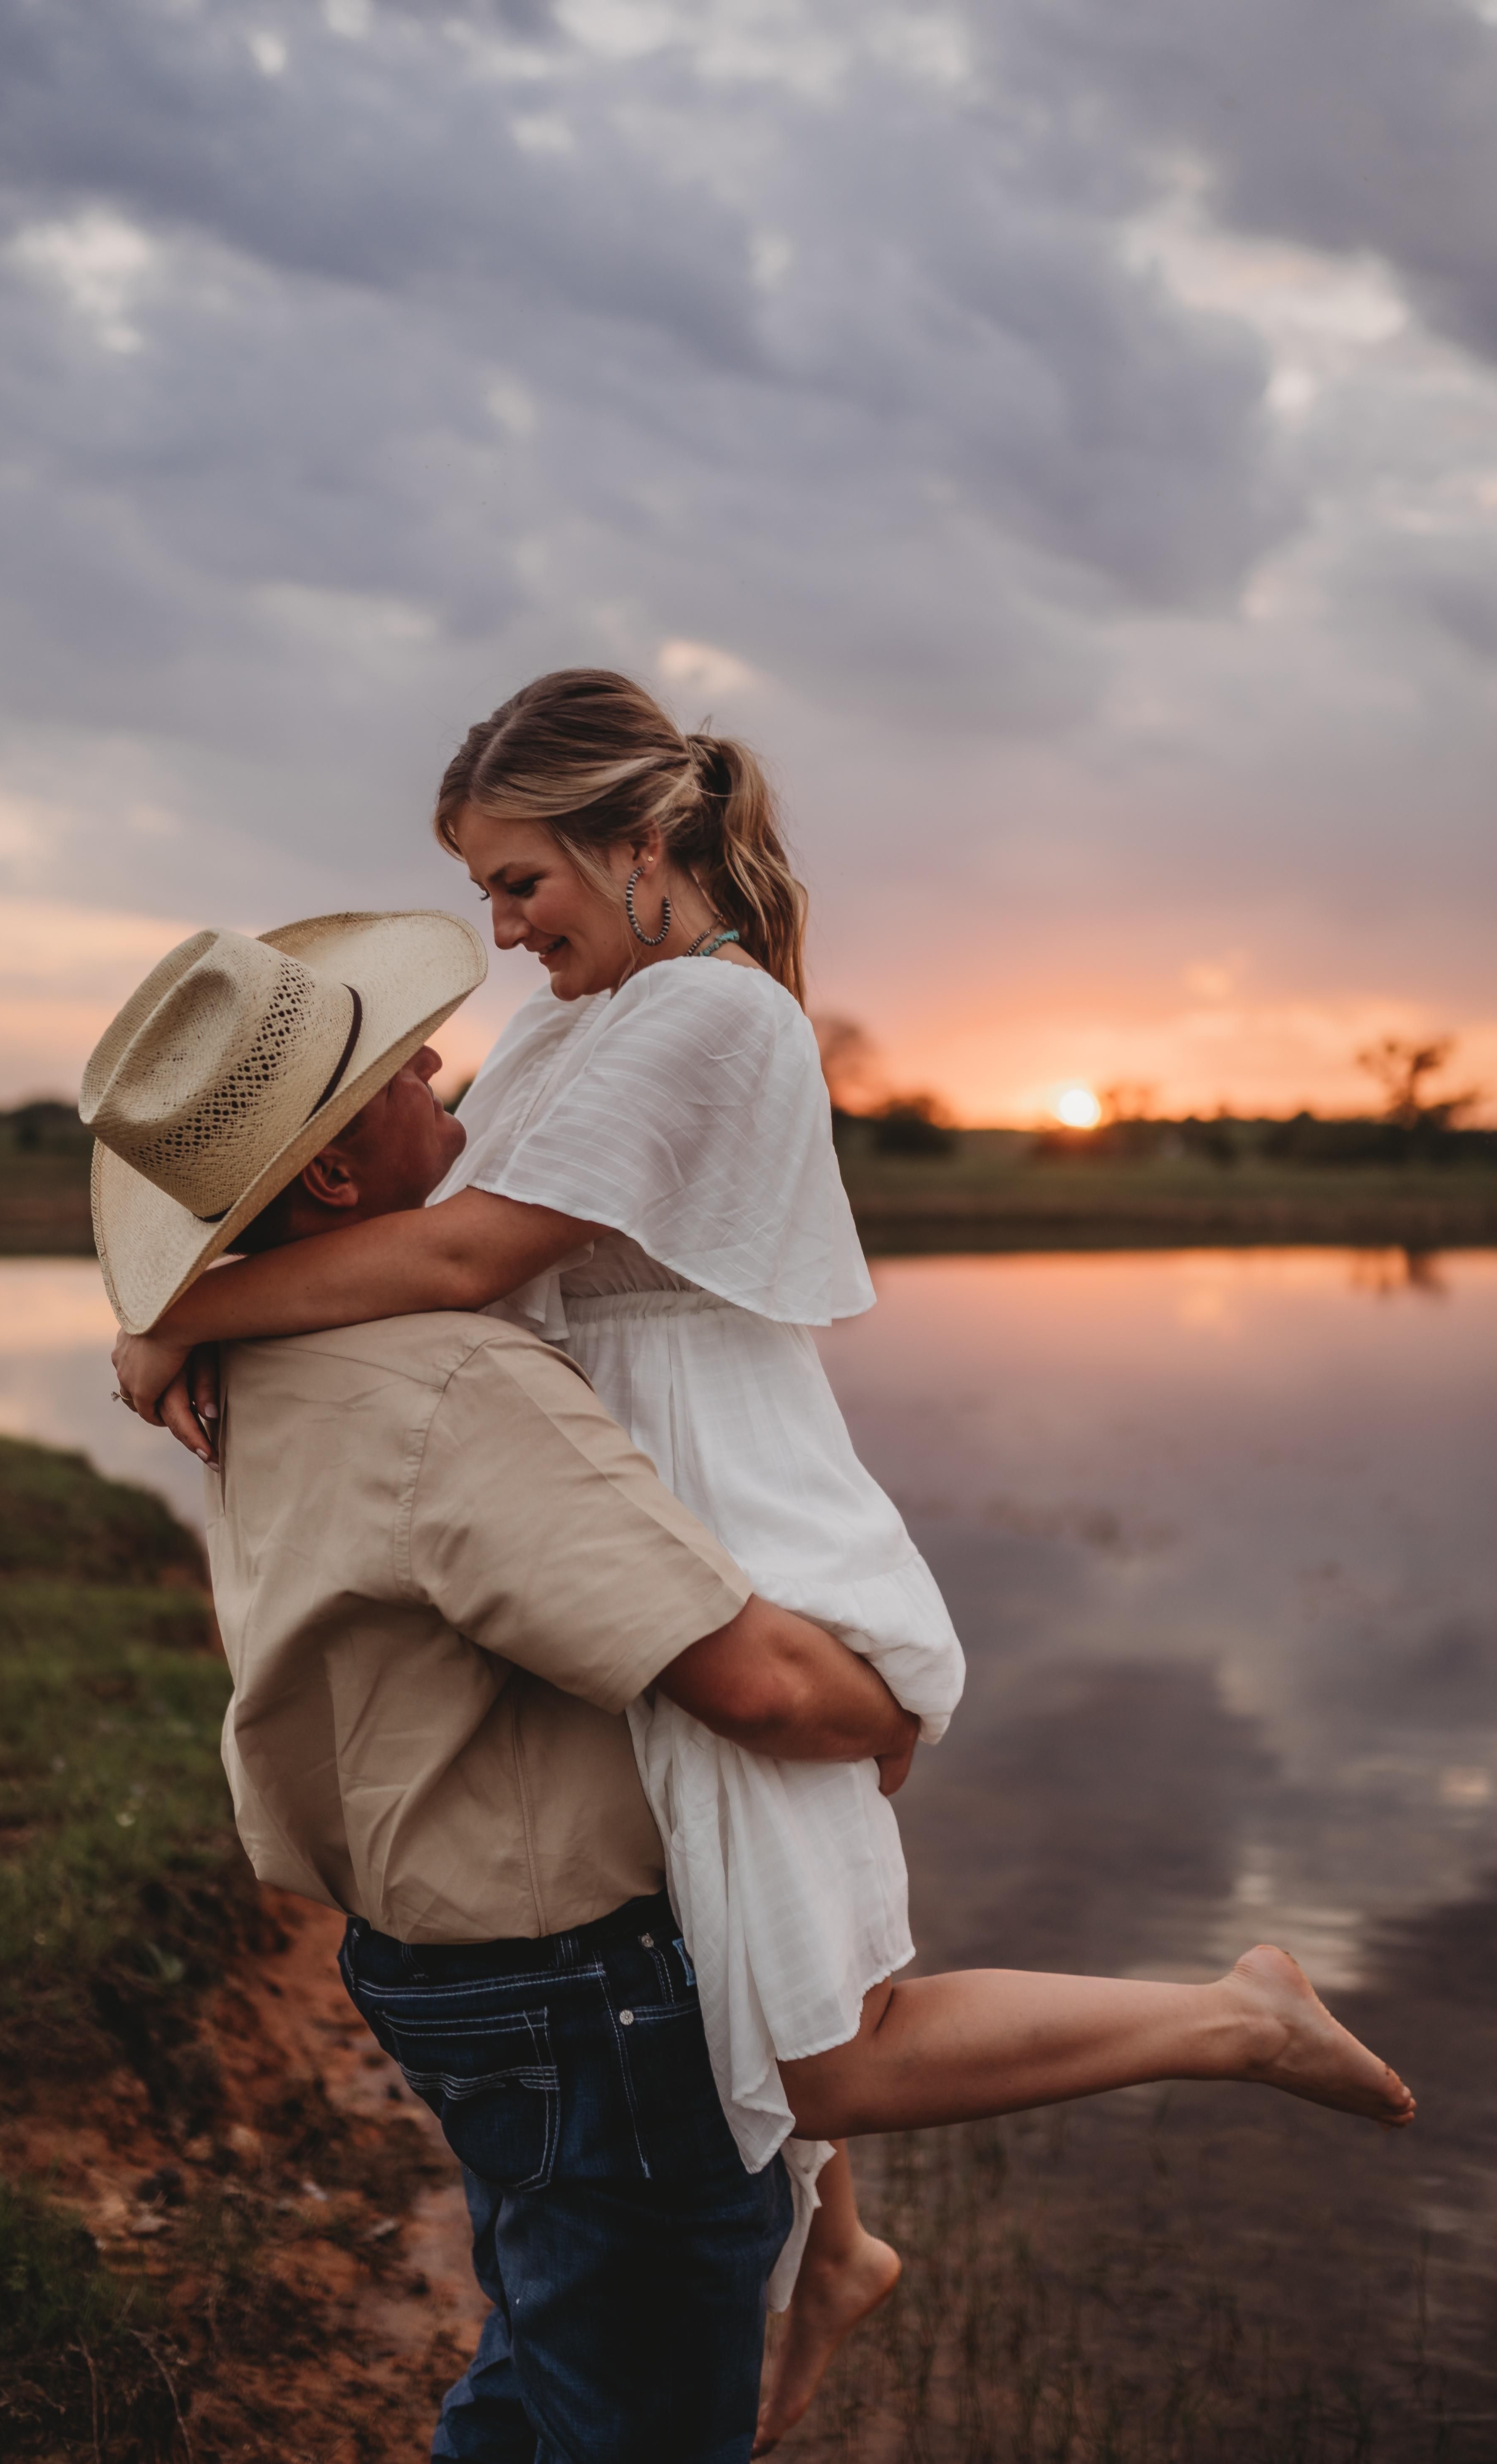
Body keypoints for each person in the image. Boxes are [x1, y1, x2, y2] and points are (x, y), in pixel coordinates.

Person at [107, 681, 1416, 2452]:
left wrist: (179, 1316)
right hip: (635, 1488)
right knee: (762, 1954)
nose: (497, 933)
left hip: (714, 1490)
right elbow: (435, 1240)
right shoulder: (591, 1023)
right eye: (483, 892)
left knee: (817, 2033)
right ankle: (843, 2245)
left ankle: (1230, 2018)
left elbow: (469, 1243)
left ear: (640, 846)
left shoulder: (710, 1016)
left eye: (516, 881)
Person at [83, 908, 921, 2461]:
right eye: (409, 1066)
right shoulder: (451, 1378)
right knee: (638, 2417)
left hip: (435, 1960)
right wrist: (892, 1714)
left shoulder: (249, 1360)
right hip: (576, 1990)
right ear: (335, 1174)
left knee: (547, 2359)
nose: (443, 1069)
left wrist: (150, 1336)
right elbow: (750, 1684)